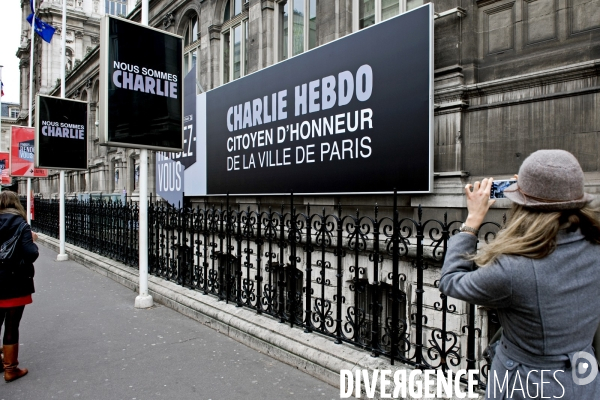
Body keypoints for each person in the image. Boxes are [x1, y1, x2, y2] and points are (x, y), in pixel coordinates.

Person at [439, 149, 600, 399]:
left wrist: (471, 222)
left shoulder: (514, 268)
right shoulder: (595, 244)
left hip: (528, 384)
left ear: (525, 206)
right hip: (584, 378)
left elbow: (451, 281)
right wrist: (532, 190)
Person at [0, 191, 39, 382]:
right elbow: (31, 254)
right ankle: (11, 368)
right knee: (11, 325)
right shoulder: (21, 225)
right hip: (15, 281)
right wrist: (33, 240)